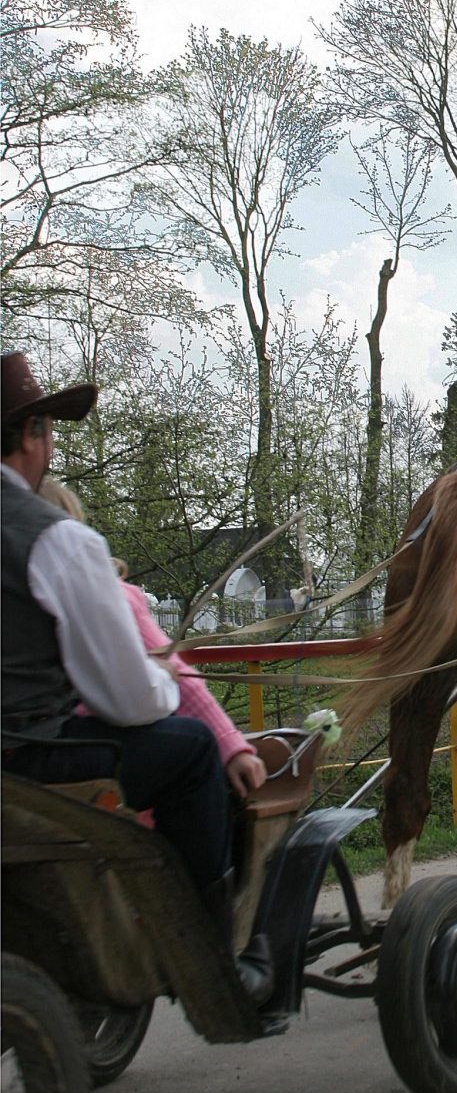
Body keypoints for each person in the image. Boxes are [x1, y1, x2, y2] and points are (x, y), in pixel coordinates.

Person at [0, 351, 270, 1001]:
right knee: (189, 750)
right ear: (32, 434)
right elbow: (129, 699)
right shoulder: (56, 539)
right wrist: (161, 684)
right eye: (48, 429)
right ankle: (210, 951)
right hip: (33, 762)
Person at [38, 478, 266, 798]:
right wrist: (231, 745)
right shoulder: (116, 597)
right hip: (89, 760)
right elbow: (182, 680)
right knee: (192, 746)